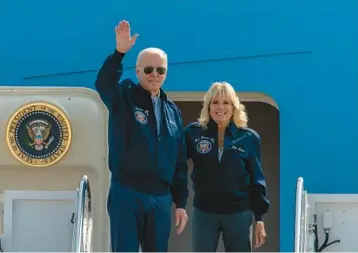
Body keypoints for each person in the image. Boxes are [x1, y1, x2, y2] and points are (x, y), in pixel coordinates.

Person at [94, 20, 189, 252]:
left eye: (160, 70)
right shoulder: (124, 97)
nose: (154, 75)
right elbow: (103, 84)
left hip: (160, 197)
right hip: (127, 192)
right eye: (148, 69)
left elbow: (179, 162)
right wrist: (119, 53)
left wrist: (181, 203)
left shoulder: (173, 112)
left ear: (166, 73)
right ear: (137, 71)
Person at [185, 81, 270, 252]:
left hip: (238, 214)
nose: (220, 107)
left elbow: (257, 180)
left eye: (226, 102)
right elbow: (176, 167)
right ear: (208, 106)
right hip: (204, 212)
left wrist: (259, 218)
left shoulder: (249, 138)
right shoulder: (193, 133)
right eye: (215, 102)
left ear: (234, 107)